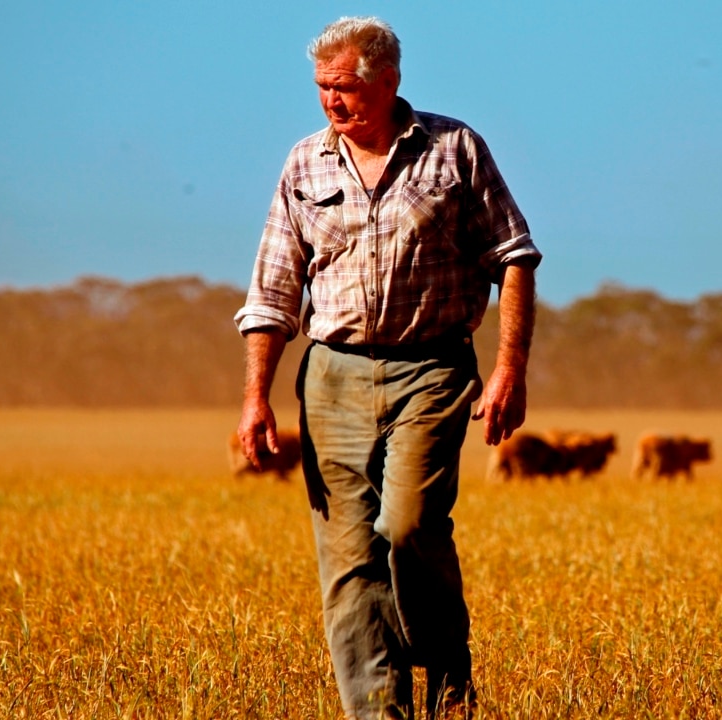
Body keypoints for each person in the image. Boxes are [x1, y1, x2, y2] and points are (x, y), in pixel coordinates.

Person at [233, 16, 540, 719]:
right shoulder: (303, 163)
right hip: (331, 376)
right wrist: (256, 397)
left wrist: (509, 368)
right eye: (322, 88)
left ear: (389, 80)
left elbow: (514, 255)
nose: (332, 102)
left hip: (431, 370)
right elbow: (273, 290)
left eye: (345, 87)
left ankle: (446, 671)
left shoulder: (454, 149)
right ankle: (379, 714)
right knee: (349, 566)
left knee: (406, 529)